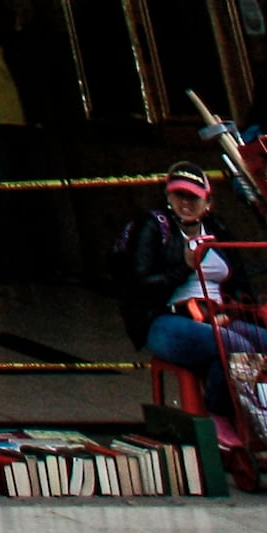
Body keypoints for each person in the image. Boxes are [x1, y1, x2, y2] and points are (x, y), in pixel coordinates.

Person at [106, 168, 236, 400]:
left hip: (216, 315)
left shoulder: (218, 230)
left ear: (208, 202)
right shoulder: (153, 227)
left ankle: (260, 419)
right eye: (179, 196)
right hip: (164, 319)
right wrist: (184, 267)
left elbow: (239, 281)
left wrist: (237, 310)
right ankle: (218, 413)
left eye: (193, 197)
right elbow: (140, 286)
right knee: (230, 346)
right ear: (168, 197)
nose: (186, 203)